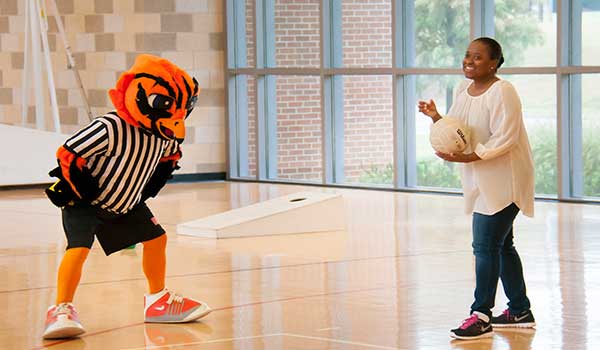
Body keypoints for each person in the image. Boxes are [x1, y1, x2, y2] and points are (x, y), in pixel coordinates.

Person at [42, 54, 211, 339]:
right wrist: (80, 186)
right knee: (79, 248)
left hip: (127, 201)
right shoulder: (110, 127)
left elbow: (170, 155)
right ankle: (61, 308)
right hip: (86, 202)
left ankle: (157, 301)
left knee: (157, 238)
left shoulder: (166, 132)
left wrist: (159, 176)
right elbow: (70, 151)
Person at [418, 37, 536, 340]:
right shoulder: (462, 90)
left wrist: (469, 156)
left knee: (484, 247)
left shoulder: (503, 91)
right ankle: (520, 310)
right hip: (482, 179)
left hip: (506, 179)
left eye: (479, 57)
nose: (469, 61)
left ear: (494, 62)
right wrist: (436, 118)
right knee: (502, 246)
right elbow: (461, 131)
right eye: (468, 55)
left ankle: (481, 315)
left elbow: (505, 138)